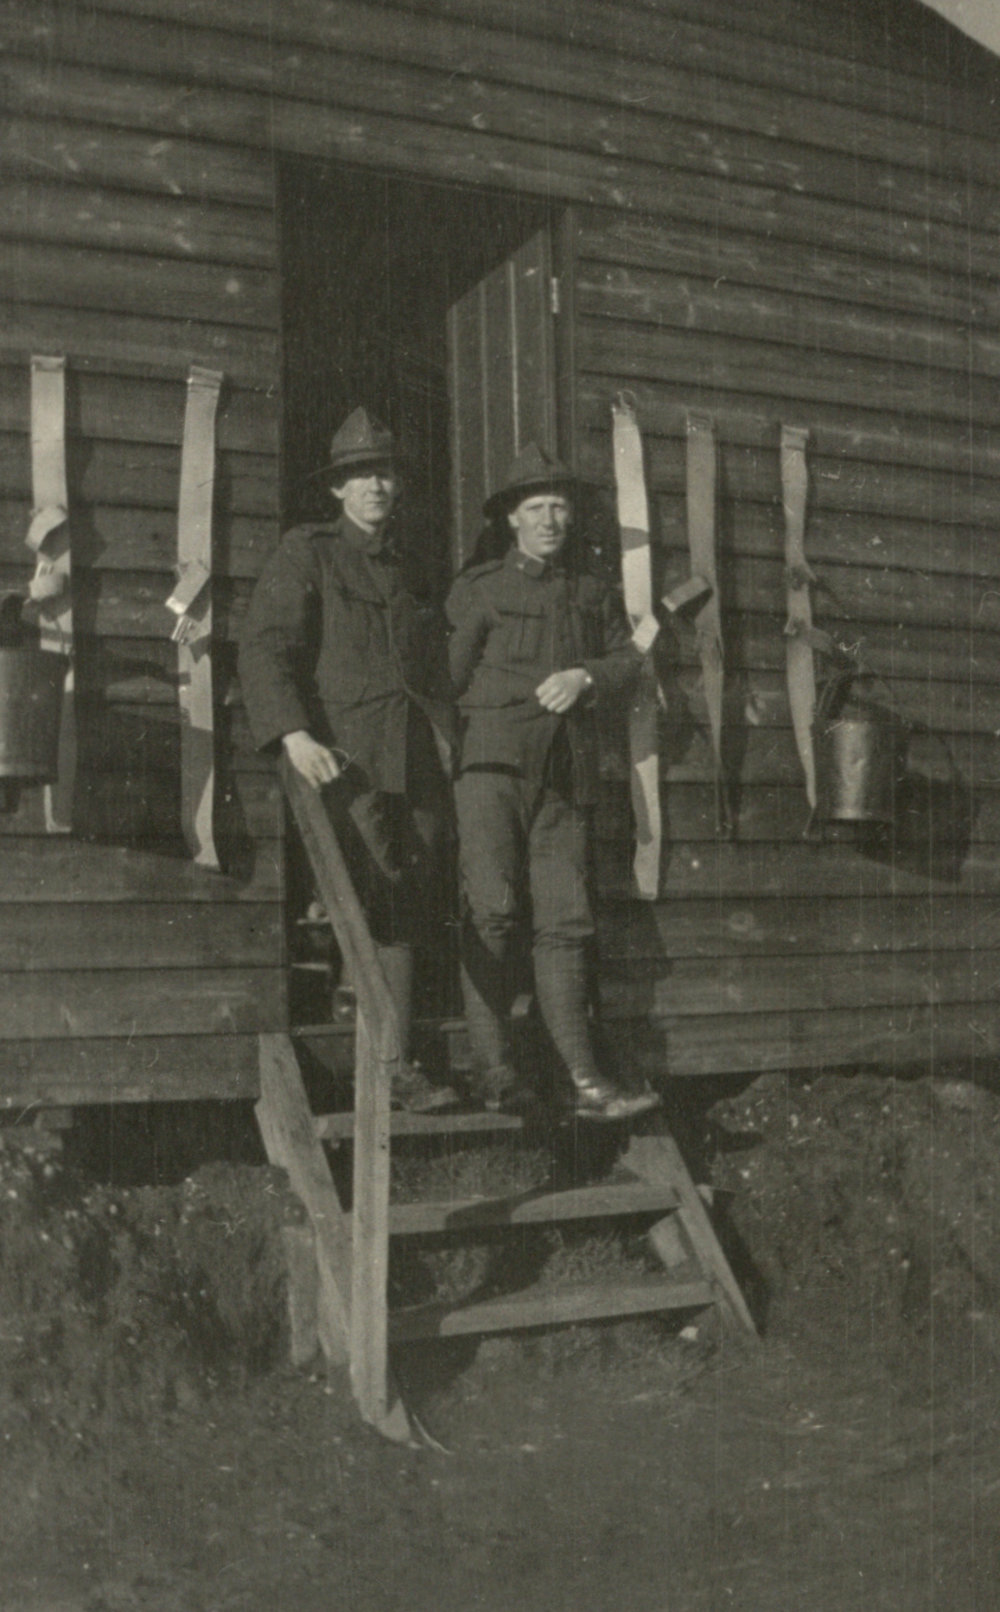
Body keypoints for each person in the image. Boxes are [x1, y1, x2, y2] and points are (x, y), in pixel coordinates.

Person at [239, 406, 458, 1112]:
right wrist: (295, 736)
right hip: (347, 761)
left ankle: (396, 1055)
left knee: (404, 905)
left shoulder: (411, 563)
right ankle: (393, 1066)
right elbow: (265, 648)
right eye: (360, 475)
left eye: (385, 474)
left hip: (415, 763)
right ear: (336, 489)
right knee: (365, 902)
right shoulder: (308, 553)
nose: (376, 487)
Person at [446, 443, 661, 1122]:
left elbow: (632, 659)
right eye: (536, 507)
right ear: (511, 517)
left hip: (565, 778)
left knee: (566, 923)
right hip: (491, 772)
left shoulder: (592, 591)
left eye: (560, 506)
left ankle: (584, 1081)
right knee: (493, 910)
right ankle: (495, 1071)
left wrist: (587, 676)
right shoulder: (479, 590)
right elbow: (442, 684)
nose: (550, 519)